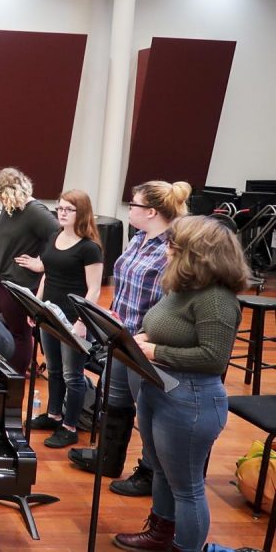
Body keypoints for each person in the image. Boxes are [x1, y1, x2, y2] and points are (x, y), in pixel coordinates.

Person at [113, 215, 249, 552]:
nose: (167, 249)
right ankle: (160, 532)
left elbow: (214, 358)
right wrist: (144, 337)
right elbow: (167, 328)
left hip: (191, 400)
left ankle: (184, 547)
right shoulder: (184, 287)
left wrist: (155, 349)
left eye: (175, 244)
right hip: (160, 389)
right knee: (160, 468)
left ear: (198, 252)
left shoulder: (216, 298)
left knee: (187, 487)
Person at [68, 181, 192, 494]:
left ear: (151, 211)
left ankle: (149, 473)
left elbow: (175, 300)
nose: (129, 209)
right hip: (121, 335)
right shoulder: (138, 237)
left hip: (147, 342)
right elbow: (124, 285)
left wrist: (149, 336)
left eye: (133, 205)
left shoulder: (174, 246)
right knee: (114, 398)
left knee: (149, 410)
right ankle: (108, 459)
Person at [20, 189, 103, 449]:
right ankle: (54, 414)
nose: (62, 213)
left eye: (68, 209)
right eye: (60, 208)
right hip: (50, 313)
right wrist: (37, 306)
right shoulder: (55, 237)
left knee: (72, 375)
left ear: (82, 213)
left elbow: (94, 289)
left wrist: (82, 320)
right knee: (54, 369)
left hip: (72, 318)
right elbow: (47, 274)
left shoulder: (90, 248)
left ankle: (69, 426)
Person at [0, 167, 59, 374]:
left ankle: (15, 377)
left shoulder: (35, 212)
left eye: (0, 197)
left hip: (16, 281)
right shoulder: (10, 208)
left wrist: (42, 263)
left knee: (20, 333)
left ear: (11, 191)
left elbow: (60, 238)